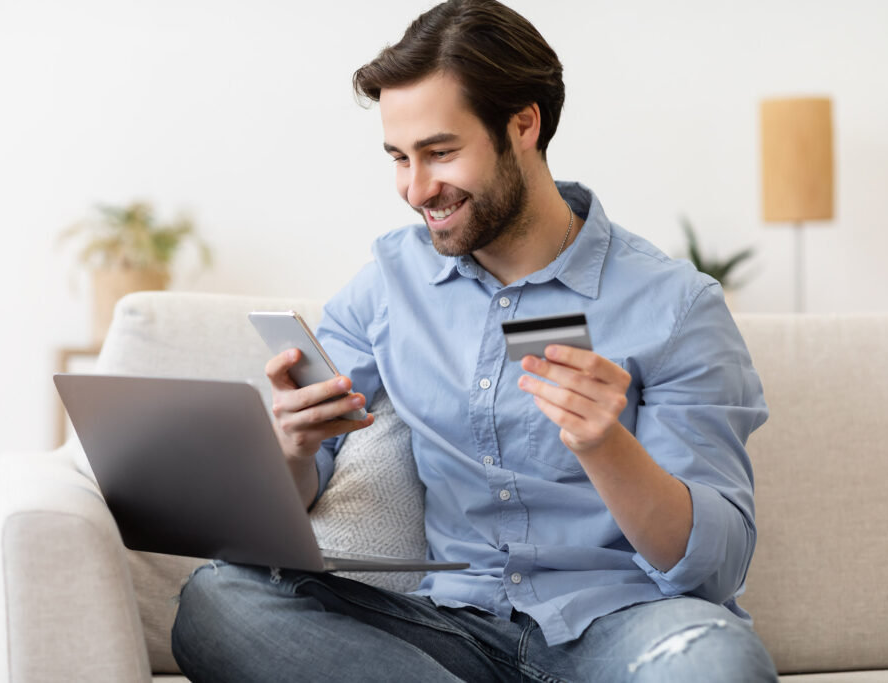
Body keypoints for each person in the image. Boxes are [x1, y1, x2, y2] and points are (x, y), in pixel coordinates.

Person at [171, 1, 777, 680]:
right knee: (217, 599)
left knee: (719, 662)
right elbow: (293, 490)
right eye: (399, 157)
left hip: (624, 628)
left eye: (440, 152)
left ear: (524, 124)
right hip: (451, 630)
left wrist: (608, 446)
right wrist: (291, 445)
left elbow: (717, 562)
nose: (415, 188)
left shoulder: (673, 305)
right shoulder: (389, 284)